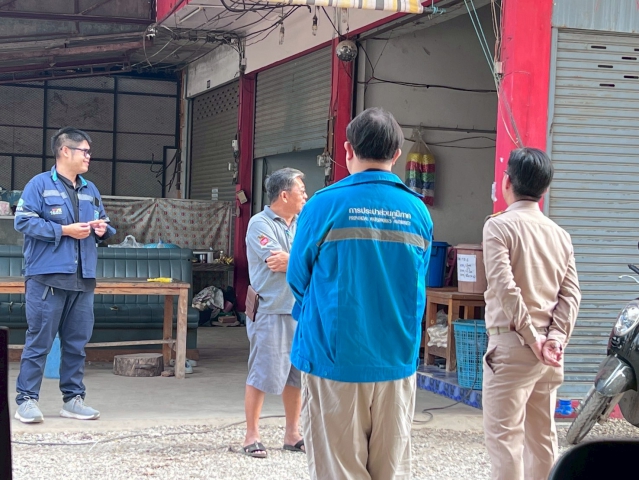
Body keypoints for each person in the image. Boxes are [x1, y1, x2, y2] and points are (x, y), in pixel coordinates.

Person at [287, 107, 433, 480]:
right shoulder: (417, 211)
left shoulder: (322, 205)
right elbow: (416, 280)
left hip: (335, 358)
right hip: (396, 359)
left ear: (348, 149)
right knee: (390, 471)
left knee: (339, 469)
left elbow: (298, 278)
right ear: (396, 155)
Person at [482, 147, 581, 480]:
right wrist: (554, 338)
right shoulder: (560, 235)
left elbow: (505, 288)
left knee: (505, 442)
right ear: (545, 189)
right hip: (549, 357)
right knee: (542, 441)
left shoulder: (498, 227)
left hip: (512, 348)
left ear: (506, 181)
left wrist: (532, 336)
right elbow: (571, 294)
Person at [14, 127, 116, 424]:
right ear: (65, 151)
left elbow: (105, 223)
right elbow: (24, 222)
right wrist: (64, 230)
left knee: (76, 344)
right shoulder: (39, 185)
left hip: (83, 278)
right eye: (84, 151)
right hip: (47, 279)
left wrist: (102, 229)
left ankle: (73, 399)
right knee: (39, 342)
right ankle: (26, 400)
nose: (89, 156)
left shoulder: (90, 189)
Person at [242, 167, 308, 458]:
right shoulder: (260, 223)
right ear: (284, 195)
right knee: (262, 372)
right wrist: (303, 261)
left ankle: (293, 434)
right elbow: (275, 262)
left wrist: (295, 260)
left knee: (296, 375)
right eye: (301, 190)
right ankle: (251, 436)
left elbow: (312, 259)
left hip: (300, 310)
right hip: (270, 309)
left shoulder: (303, 223)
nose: (305, 195)